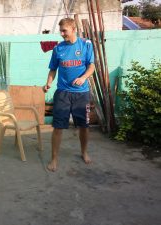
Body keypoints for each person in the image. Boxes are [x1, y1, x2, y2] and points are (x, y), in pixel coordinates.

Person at [43, 18, 95, 172]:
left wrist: (84, 77)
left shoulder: (86, 44)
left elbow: (91, 66)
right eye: (61, 30)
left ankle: (84, 152)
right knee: (58, 127)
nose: (62, 33)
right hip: (63, 94)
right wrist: (48, 83)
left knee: (84, 127)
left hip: (81, 94)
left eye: (64, 30)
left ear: (73, 28)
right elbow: (53, 69)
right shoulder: (58, 49)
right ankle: (54, 159)